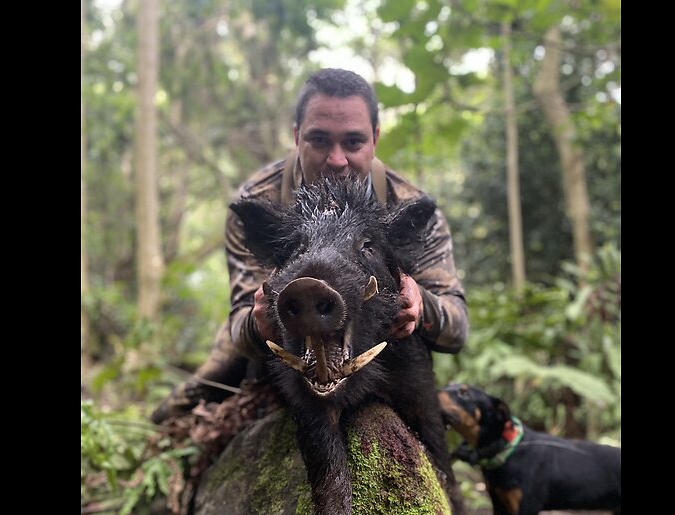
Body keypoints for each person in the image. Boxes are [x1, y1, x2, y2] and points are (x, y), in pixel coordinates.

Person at [151, 67, 468, 423]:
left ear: (375, 139)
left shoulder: (408, 206)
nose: (336, 160)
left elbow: (457, 328)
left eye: (353, 142)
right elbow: (241, 317)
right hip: (290, 326)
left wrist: (418, 303)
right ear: (297, 136)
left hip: (374, 332)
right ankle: (160, 428)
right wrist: (260, 321)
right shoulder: (259, 201)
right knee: (219, 370)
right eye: (319, 140)